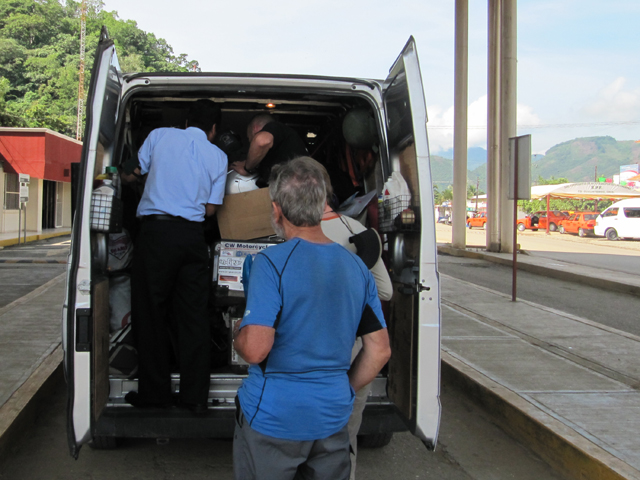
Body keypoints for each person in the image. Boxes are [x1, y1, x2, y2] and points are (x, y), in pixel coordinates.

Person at [233, 157, 391, 480]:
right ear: (322, 206)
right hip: (332, 417)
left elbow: (255, 349)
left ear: (276, 211)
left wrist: (239, 332)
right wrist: (343, 389)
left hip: (274, 419)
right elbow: (379, 351)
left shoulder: (270, 264)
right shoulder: (357, 269)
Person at [122, 99, 228, 414]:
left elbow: (134, 171)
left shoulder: (159, 136)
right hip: (193, 240)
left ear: (185, 122)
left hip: (156, 236)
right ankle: (195, 398)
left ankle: (155, 395)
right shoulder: (218, 156)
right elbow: (210, 209)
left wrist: (117, 173)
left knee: (150, 313)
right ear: (213, 130)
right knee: (194, 316)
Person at [317, 162, 392, 480]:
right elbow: (386, 292)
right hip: (353, 347)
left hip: (306, 350)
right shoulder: (360, 233)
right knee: (345, 433)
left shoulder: (288, 233)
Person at [230, 114, 307, 187]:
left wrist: (247, 168)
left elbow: (261, 142)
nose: (250, 142)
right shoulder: (278, 149)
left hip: (298, 187)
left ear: (255, 129)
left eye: (249, 138)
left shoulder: (275, 126)